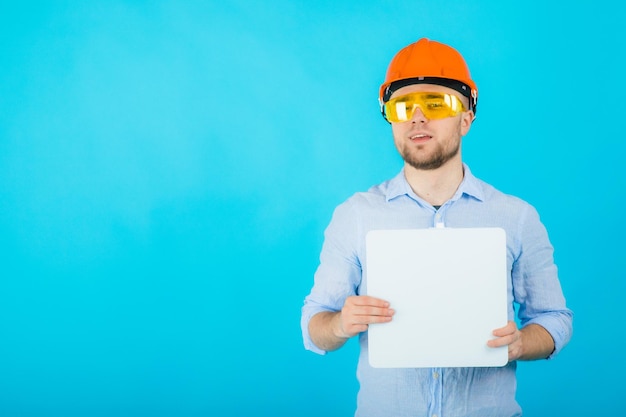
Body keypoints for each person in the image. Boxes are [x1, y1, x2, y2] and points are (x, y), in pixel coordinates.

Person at [300, 38, 573, 417]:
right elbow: (314, 325)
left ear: (466, 118)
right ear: (391, 118)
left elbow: (554, 319)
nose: (417, 117)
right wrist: (342, 323)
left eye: (435, 103)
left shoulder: (517, 217)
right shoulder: (355, 215)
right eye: (403, 106)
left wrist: (522, 343)